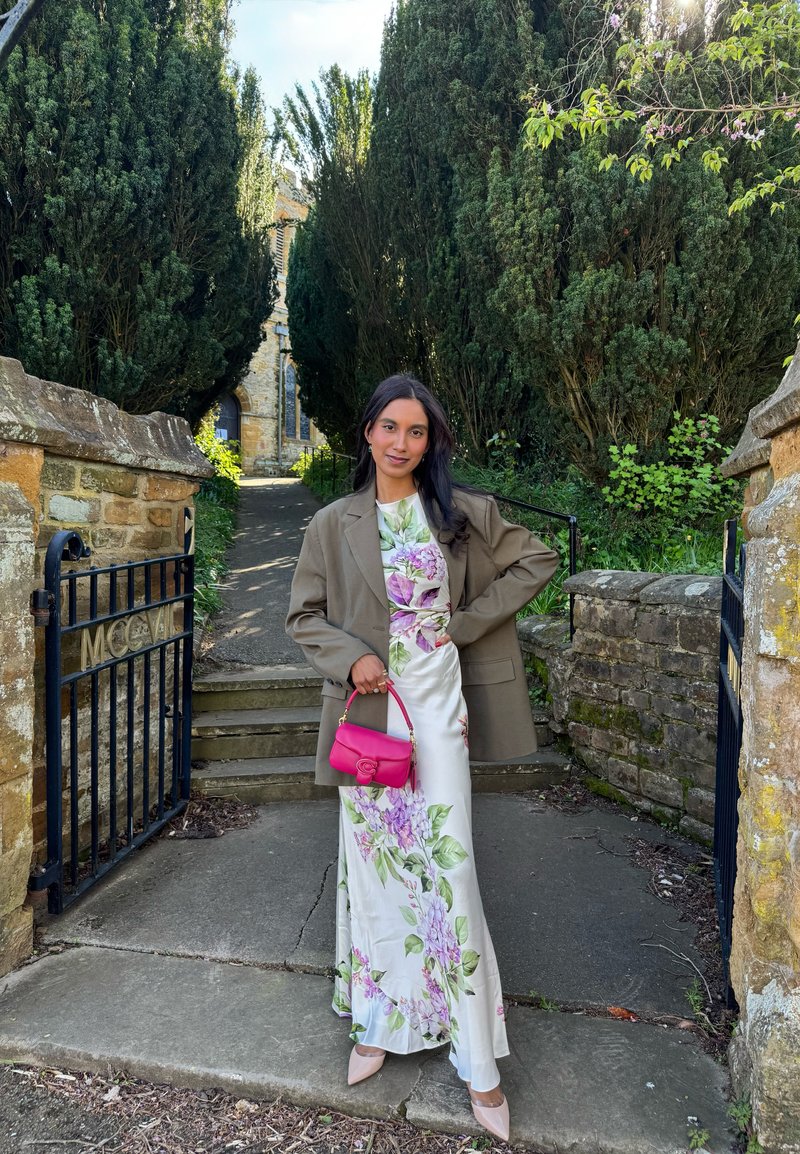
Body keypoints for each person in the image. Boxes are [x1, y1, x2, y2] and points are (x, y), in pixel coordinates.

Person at [285, 374, 559, 1141]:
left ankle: (478, 1059)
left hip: (438, 706)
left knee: (450, 864)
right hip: (371, 711)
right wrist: (350, 660)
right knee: (374, 867)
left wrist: (464, 624)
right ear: (366, 432)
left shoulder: (461, 514)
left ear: (429, 441)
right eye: (388, 427)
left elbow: (534, 561)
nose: (401, 443)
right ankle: (379, 1024)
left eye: (416, 431)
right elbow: (303, 616)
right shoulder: (332, 524)